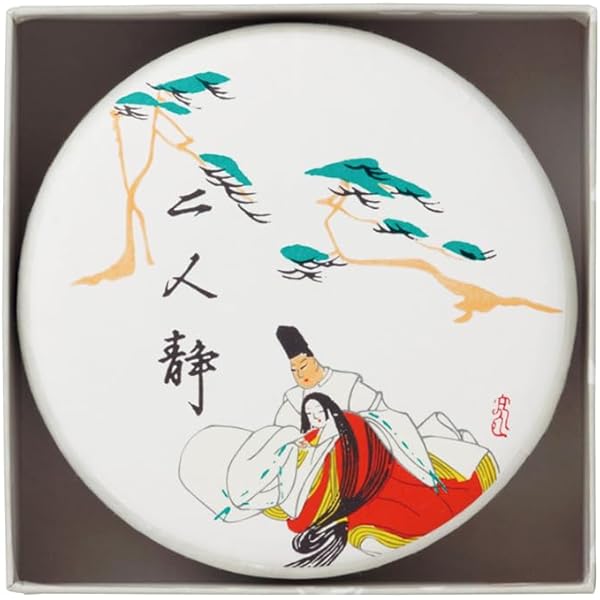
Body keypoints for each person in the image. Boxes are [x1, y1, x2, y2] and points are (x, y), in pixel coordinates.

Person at [281, 392, 486, 568]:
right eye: (309, 414)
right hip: (351, 492)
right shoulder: (314, 436)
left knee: (409, 510)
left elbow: (363, 452)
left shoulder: (349, 421)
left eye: (318, 410)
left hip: (375, 482)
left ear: (329, 408)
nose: (315, 417)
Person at [274, 325, 384, 426]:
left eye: (303, 367)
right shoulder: (294, 397)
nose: (300, 375)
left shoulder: (348, 384)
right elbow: (280, 429)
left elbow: (381, 415)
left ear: (314, 360)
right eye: (293, 370)